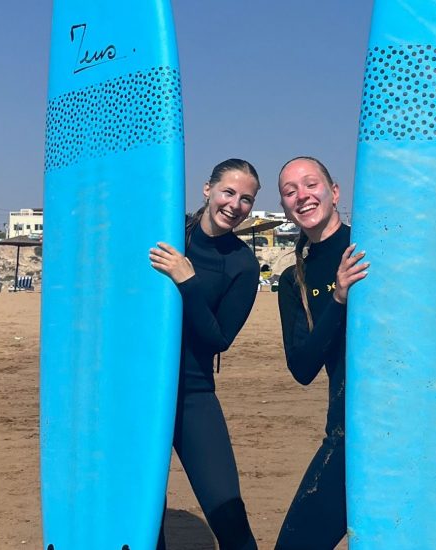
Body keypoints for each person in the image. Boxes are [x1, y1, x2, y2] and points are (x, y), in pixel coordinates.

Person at [148, 159, 261, 550]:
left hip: (193, 394)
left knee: (228, 512)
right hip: (141, 389)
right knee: (144, 514)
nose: (235, 204)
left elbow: (217, 339)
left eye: (246, 199)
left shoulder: (242, 265)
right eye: (228, 192)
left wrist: (188, 280)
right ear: (207, 189)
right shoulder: (169, 231)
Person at [274, 156, 368, 549]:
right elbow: (302, 366)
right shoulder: (293, 279)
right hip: (348, 431)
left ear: (334, 192)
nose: (302, 196)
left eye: (310, 184)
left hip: (414, 426)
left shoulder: (371, 244)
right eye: (290, 191)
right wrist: (339, 298)